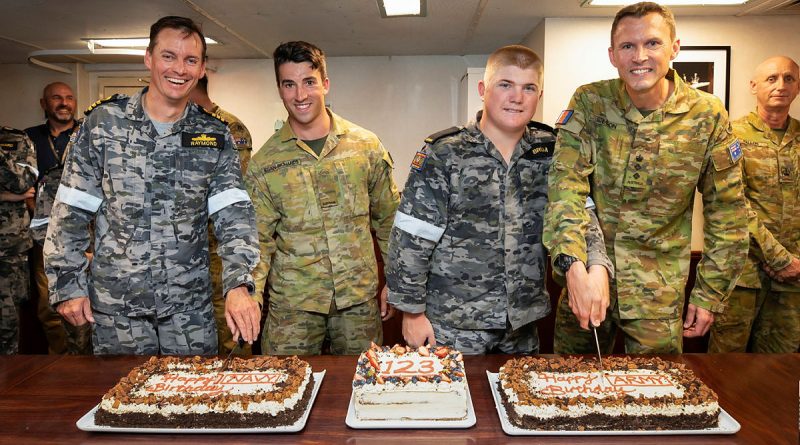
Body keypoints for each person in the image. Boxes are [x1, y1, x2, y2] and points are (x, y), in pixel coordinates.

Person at [44, 16, 261, 355]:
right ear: (148, 58)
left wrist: (239, 284)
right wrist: (67, 283)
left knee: (194, 404)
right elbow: (70, 210)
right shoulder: (103, 125)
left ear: (203, 68)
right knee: (120, 403)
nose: (180, 69)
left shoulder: (215, 136)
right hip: (118, 310)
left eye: (191, 60)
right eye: (169, 56)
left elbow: (234, 217)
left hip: (189, 312)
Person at [544, 1, 749, 354]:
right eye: (628, 46)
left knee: (659, 398)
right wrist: (574, 267)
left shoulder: (707, 115)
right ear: (612, 55)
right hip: (590, 281)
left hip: (658, 295)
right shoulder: (592, 103)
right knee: (568, 392)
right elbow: (566, 190)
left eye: (652, 43)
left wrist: (710, 291)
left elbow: (728, 212)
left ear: (675, 48)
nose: (639, 56)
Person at [387, 45, 612, 354]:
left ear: (539, 95)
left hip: (521, 326)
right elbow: (412, 237)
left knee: (516, 400)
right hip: (451, 325)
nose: (516, 97)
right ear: (484, 89)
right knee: (454, 402)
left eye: (528, 88)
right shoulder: (445, 153)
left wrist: (597, 266)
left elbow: (581, 216)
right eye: (505, 84)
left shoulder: (554, 153)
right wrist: (411, 313)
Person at [246, 41, 400, 355]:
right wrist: (251, 296)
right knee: (285, 386)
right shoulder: (265, 161)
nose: (300, 95)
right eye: (289, 84)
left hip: (356, 301)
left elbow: (389, 221)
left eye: (309, 82)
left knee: (362, 388)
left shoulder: (364, 145)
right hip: (293, 305)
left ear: (325, 84)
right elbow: (258, 240)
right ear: (280, 89)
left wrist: (396, 281)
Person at [709, 56, 800, 353]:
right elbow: (732, 204)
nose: (781, 86)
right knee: (725, 367)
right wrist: (778, 258)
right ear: (753, 86)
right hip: (741, 273)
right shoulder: (731, 135)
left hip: (794, 279)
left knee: (781, 370)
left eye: (789, 78)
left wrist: (793, 262)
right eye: (771, 79)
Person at [24, 82, 92, 354]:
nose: (64, 103)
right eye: (56, 98)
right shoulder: (29, 138)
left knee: (86, 311)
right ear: (44, 103)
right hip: (46, 238)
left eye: (69, 98)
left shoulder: (86, 133)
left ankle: (87, 366)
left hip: (87, 241)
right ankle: (60, 364)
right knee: (50, 307)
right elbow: (24, 186)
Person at [189, 75, 254, 355]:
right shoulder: (177, 125)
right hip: (184, 253)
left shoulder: (228, 127)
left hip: (220, 250)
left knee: (231, 334)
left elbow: (231, 192)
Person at [0, 126, 37, 354]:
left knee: (7, 325)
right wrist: (6, 196)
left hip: (8, 249)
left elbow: (24, 184)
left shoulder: (14, 139)